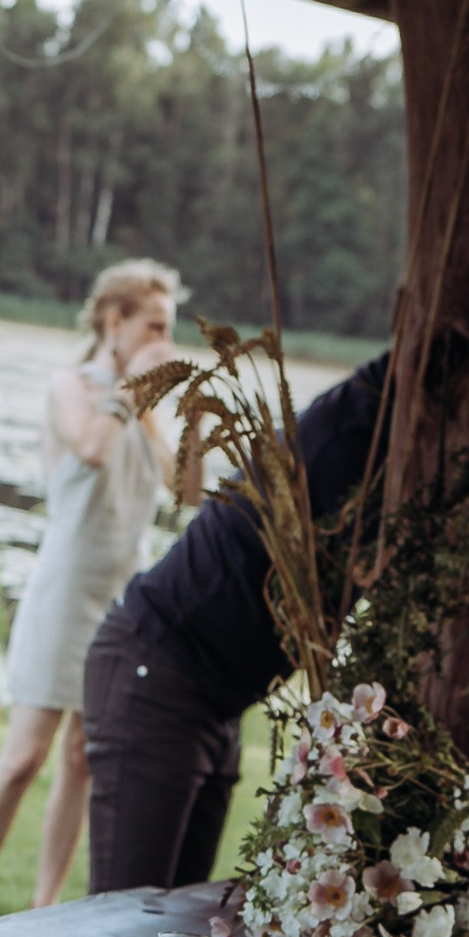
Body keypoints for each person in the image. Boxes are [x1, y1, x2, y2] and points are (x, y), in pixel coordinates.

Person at [0, 261, 182, 933]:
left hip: (122, 594)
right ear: (113, 322)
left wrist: (196, 406)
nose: (164, 339)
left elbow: (190, 492)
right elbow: (93, 447)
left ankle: (44, 906)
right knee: (26, 751)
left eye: (170, 329)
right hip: (65, 589)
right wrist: (133, 385)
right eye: (155, 325)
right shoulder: (74, 388)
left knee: (82, 754)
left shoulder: (144, 407)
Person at [83, 352, 392, 893]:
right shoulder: (342, 433)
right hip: (156, 675)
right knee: (125, 917)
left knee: (180, 917)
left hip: (218, 701)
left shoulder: (382, 470)